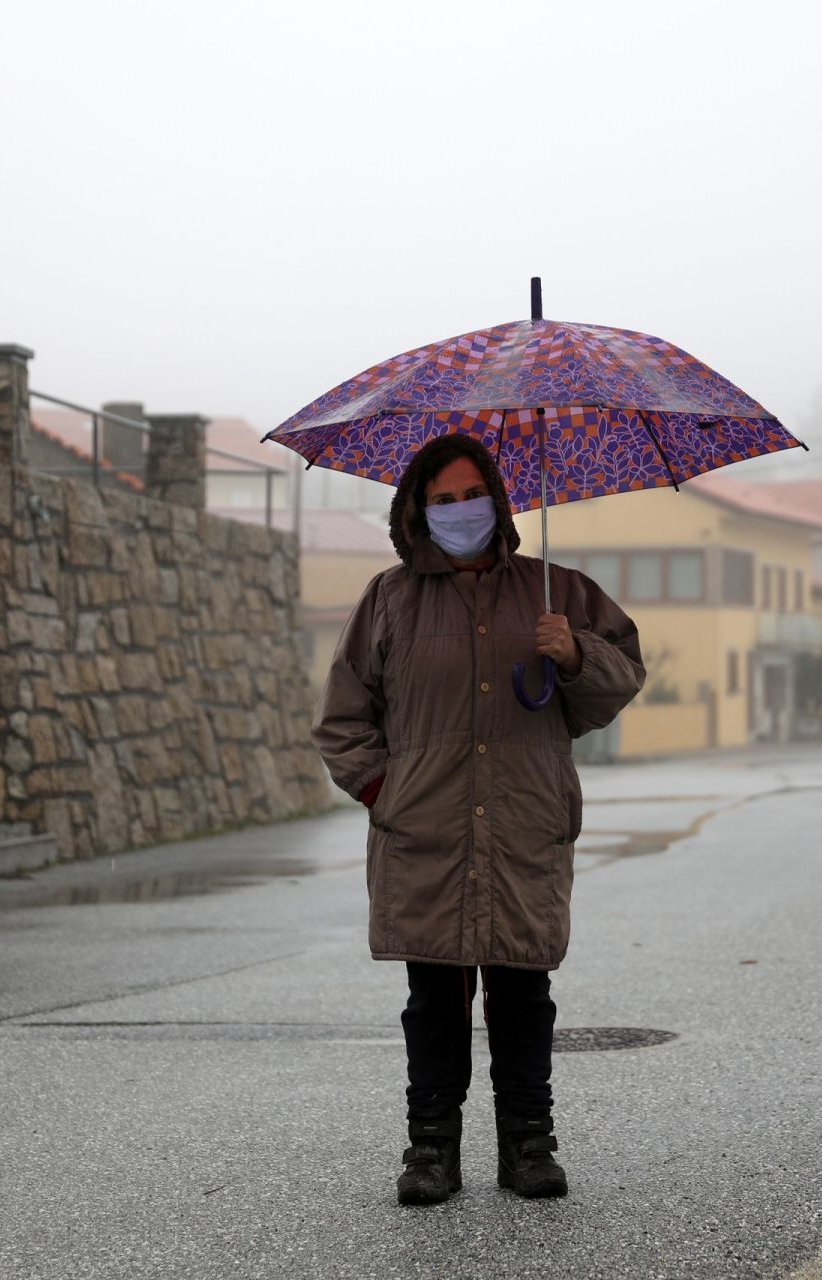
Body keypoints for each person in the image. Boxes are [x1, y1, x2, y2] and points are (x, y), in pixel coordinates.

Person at [313, 432, 646, 1206]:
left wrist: (575, 656)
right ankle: (430, 1150)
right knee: (434, 996)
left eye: (472, 495)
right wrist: (384, 792)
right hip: (423, 832)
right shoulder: (388, 600)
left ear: (498, 499)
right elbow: (342, 720)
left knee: (523, 992)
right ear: (416, 511)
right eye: (443, 500)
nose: (461, 511)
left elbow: (618, 681)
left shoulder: (556, 592)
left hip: (524, 824)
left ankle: (529, 1146)